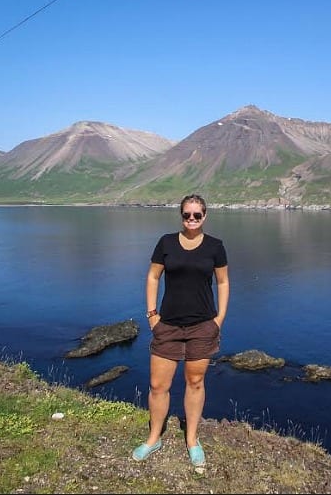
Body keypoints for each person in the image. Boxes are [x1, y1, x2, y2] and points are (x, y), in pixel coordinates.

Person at [131, 194, 229, 465]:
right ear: (181, 215)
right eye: (187, 214)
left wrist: (219, 318)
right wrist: (152, 314)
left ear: (205, 216)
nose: (192, 219)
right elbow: (153, 276)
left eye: (197, 215)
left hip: (202, 326)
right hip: (168, 326)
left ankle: (192, 440)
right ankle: (154, 438)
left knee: (195, 383)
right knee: (157, 385)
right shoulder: (166, 243)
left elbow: (223, 282)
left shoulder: (215, 247)